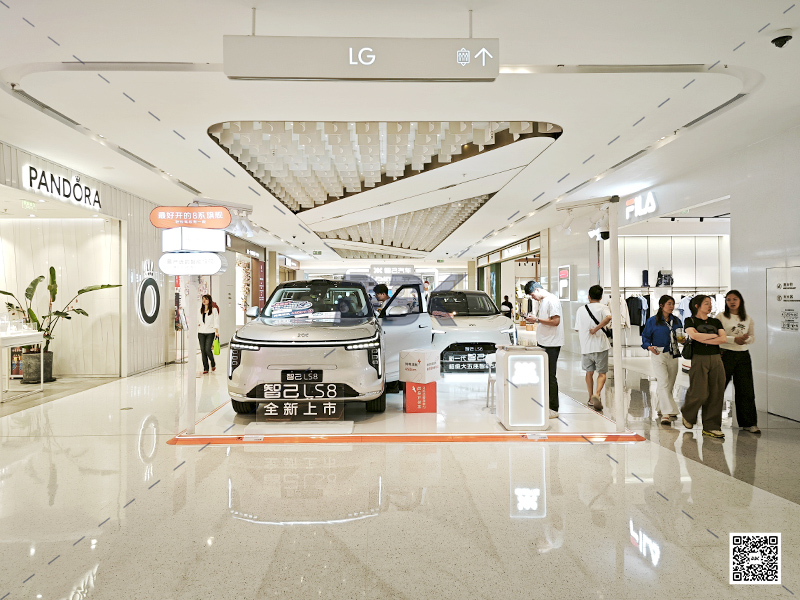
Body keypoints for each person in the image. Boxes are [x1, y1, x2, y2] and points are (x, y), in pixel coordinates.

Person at [682, 295, 727, 438]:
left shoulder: (716, 321)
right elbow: (694, 336)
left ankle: (711, 426)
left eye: (710, 303)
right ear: (697, 306)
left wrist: (702, 337)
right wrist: (714, 336)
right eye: (706, 303)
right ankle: (688, 414)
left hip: (716, 359)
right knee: (699, 391)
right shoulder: (690, 321)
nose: (710, 306)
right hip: (699, 358)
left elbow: (723, 339)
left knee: (716, 392)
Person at [716, 290, 759, 433]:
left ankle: (749, 423)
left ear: (740, 301)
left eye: (735, 299)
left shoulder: (747, 318)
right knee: (718, 389)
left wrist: (746, 339)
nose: (732, 302)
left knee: (745, 389)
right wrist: (734, 339)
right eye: (728, 299)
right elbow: (717, 336)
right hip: (725, 354)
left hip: (743, 356)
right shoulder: (720, 317)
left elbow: (752, 337)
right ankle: (712, 423)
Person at [641, 295, 683, 425]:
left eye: (673, 304)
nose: (672, 306)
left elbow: (680, 336)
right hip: (658, 353)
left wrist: (683, 339)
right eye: (669, 304)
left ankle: (660, 407)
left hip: (673, 353)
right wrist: (649, 347)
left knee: (669, 384)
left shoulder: (676, 320)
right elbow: (645, 337)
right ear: (661, 305)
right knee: (663, 381)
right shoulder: (652, 321)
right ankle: (666, 413)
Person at [524, 280, 564, 419]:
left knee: (550, 376)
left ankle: (553, 408)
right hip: (544, 342)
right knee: (544, 375)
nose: (533, 298)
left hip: (551, 344)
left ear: (536, 290)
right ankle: (546, 404)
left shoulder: (552, 300)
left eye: (532, 295)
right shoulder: (544, 301)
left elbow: (555, 321)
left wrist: (536, 320)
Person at [574, 285, 611, 411]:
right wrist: (596, 329)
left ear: (589, 297)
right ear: (601, 297)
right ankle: (597, 394)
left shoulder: (580, 310)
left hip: (586, 347)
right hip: (601, 346)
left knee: (589, 373)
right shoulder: (603, 307)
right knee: (602, 373)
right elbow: (609, 317)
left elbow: (577, 328)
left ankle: (590, 398)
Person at [198, 294, 220, 374]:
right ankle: (206, 368)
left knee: (207, 349)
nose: (204, 301)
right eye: (203, 299)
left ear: (209, 300)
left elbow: (216, 321)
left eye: (206, 299)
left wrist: (216, 331)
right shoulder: (199, 310)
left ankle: (212, 362)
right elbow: (197, 321)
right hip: (201, 332)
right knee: (203, 351)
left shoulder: (214, 310)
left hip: (210, 332)